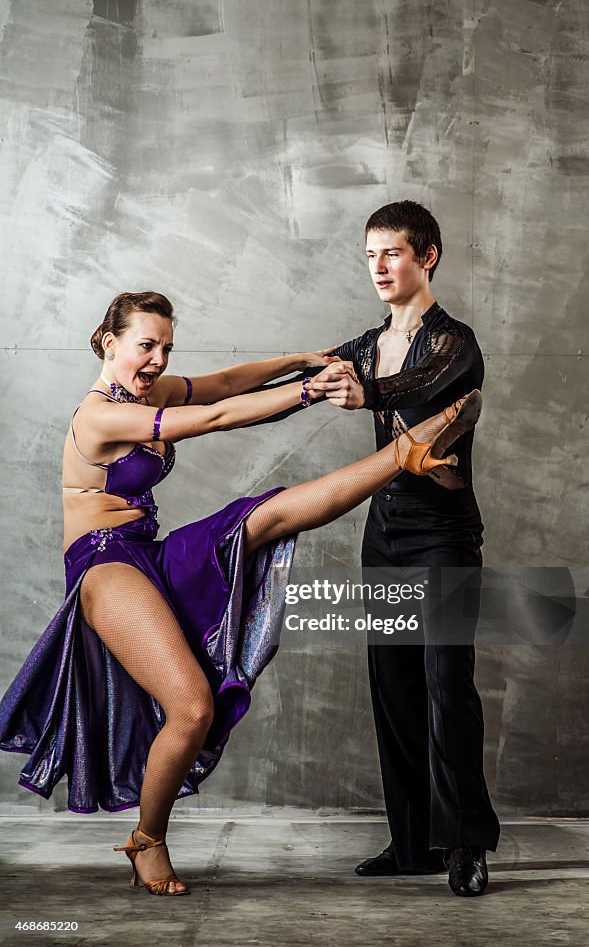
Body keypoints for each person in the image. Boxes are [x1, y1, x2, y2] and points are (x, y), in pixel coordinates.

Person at [0, 290, 482, 898]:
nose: (155, 360)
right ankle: (147, 840)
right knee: (193, 708)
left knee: (266, 517)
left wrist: (296, 362)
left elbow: (224, 384)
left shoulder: (151, 390)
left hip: (147, 551)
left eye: (165, 348)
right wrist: (309, 392)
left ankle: (405, 454)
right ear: (108, 342)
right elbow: (214, 417)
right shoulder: (98, 415)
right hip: (103, 566)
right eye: (145, 345)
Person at [313, 201, 500, 897]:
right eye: (369, 256)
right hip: (384, 535)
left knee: (445, 684)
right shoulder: (363, 345)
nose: (379, 268)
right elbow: (315, 376)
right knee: (392, 685)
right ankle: (413, 842)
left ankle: (467, 842)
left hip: (444, 535)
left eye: (391, 253)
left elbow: (422, 387)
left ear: (428, 257)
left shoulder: (456, 343)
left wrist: (366, 393)